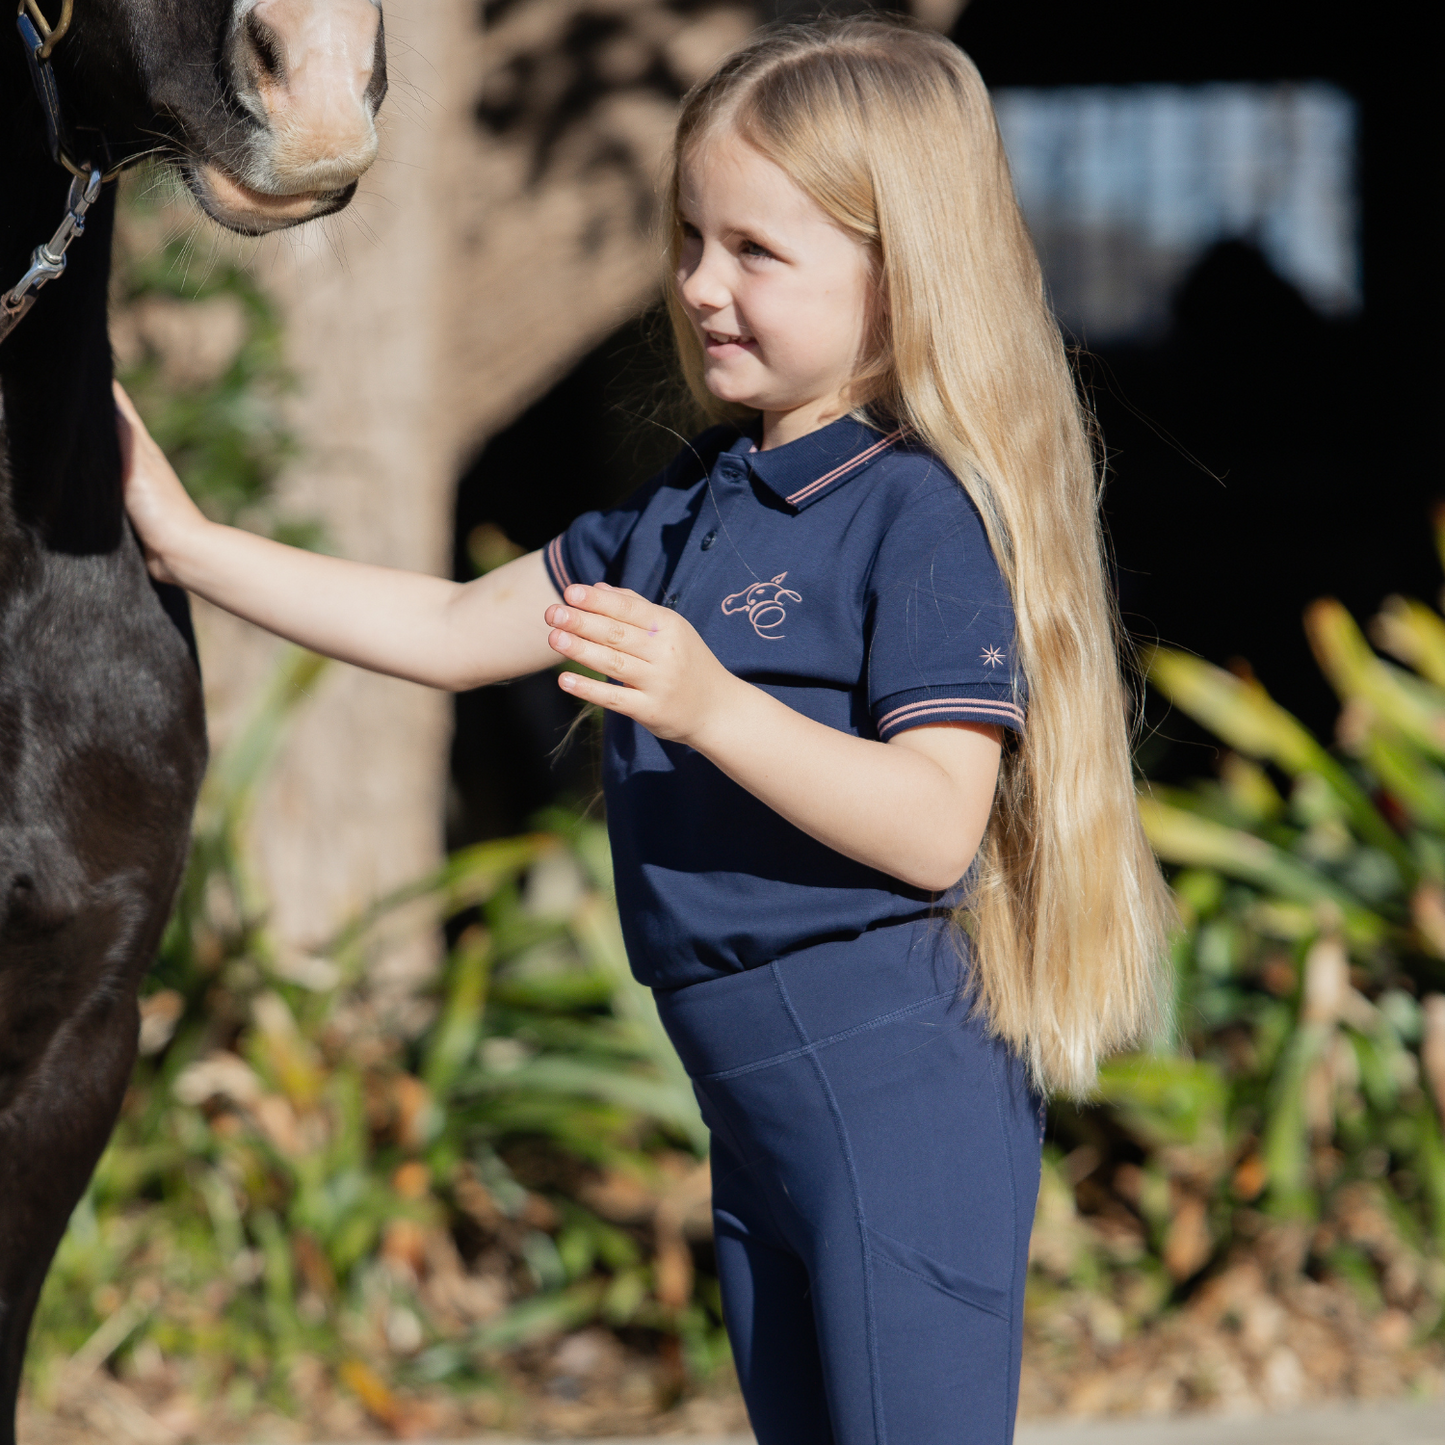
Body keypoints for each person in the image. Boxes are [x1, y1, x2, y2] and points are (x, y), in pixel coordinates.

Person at [118, 14, 1173, 1442]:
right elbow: (439, 631)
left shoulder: (916, 514)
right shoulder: (689, 510)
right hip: (751, 1106)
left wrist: (709, 707)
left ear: (899, 271)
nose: (702, 285)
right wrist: (188, 543)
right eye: (689, 239)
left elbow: (935, 827)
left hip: (893, 1097)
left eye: (757, 252)